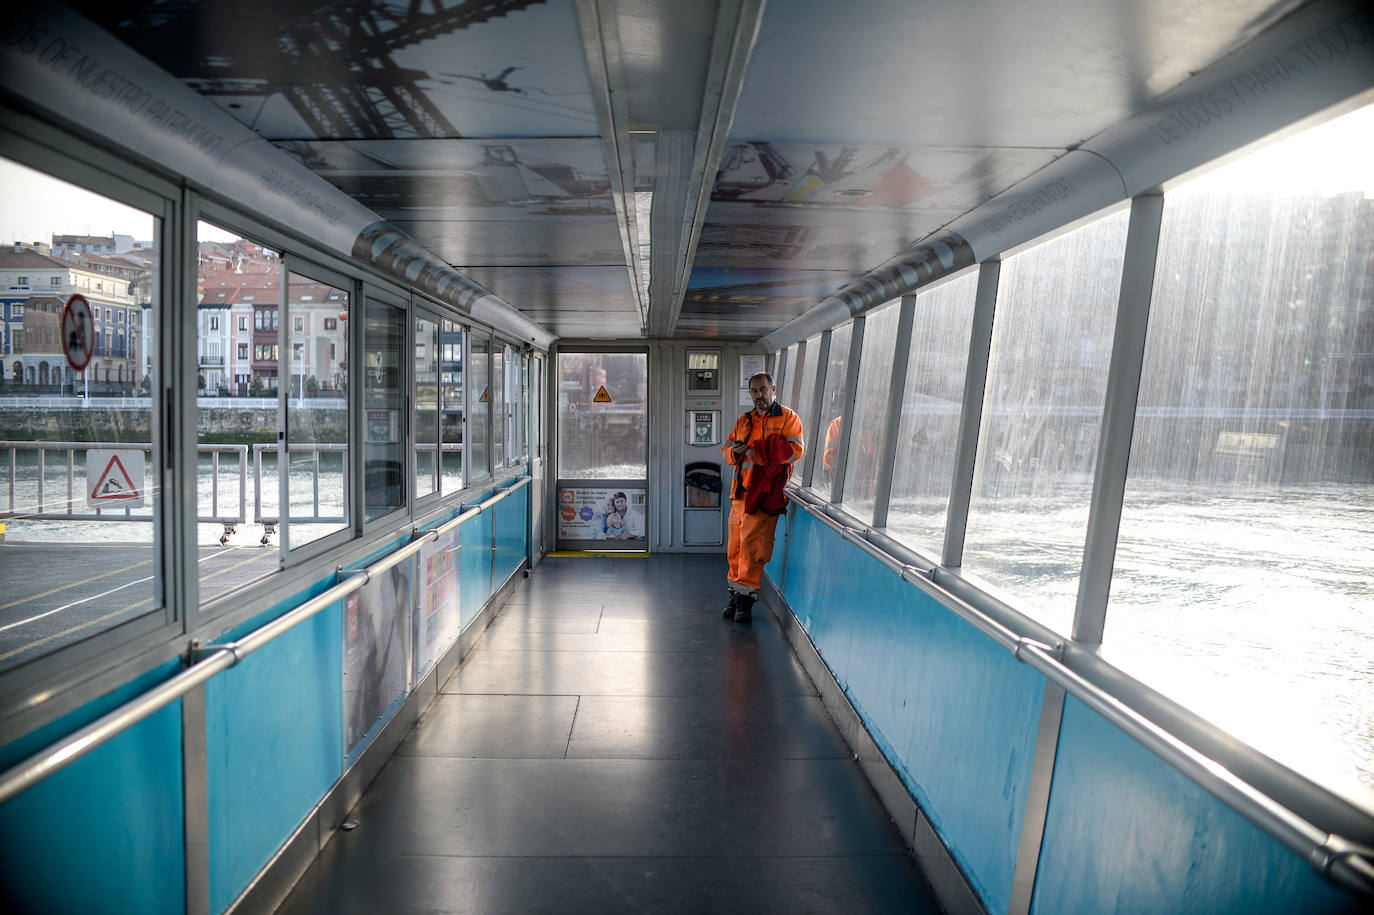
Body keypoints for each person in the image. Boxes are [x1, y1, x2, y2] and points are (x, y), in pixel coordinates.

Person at [721, 371, 804, 623]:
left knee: (752, 549)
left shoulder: (788, 418)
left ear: (773, 389)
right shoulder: (744, 421)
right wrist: (735, 453)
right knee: (734, 550)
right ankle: (734, 595)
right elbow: (726, 449)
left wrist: (754, 451)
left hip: (764, 495)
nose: (759, 395)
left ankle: (746, 601)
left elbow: (793, 452)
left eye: (763, 390)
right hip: (740, 495)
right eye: (754, 391)